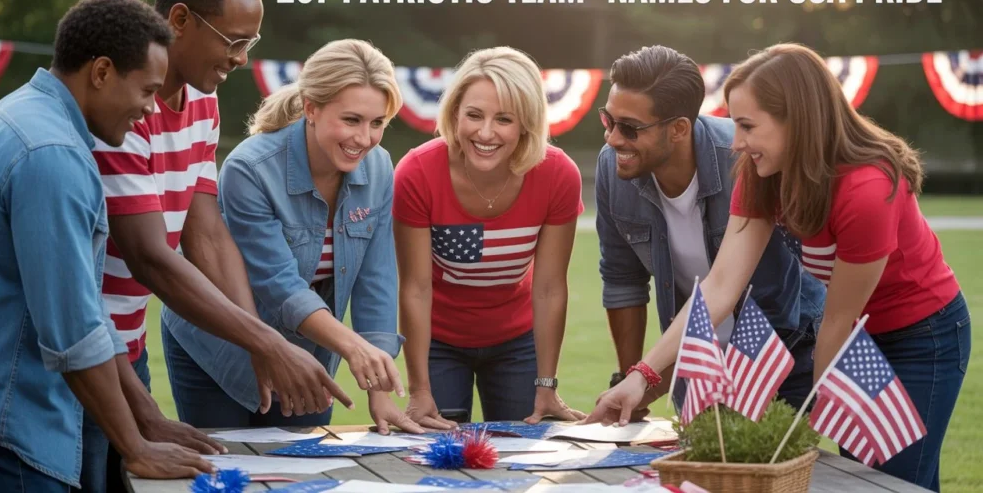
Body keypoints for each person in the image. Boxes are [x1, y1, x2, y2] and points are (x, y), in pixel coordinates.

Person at [589, 43, 969, 492]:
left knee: (893, 482)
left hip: (918, 335)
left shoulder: (867, 187)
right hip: (854, 332)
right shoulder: (759, 169)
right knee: (865, 480)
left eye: (748, 126)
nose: (738, 141)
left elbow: (836, 323)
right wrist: (642, 377)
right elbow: (721, 283)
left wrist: (821, 406)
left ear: (798, 120)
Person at [89, 0, 351, 491]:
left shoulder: (203, 105)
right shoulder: (121, 108)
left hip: (127, 347)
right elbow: (151, 260)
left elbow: (205, 231)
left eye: (250, 43)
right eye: (232, 41)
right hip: (84, 350)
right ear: (179, 20)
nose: (240, 59)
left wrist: (253, 340)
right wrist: (268, 343)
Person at [0, 0, 214, 492]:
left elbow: (86, 306)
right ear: (100, 72)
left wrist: (149, 418)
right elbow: (74, 330)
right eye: (145, 91)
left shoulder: (24, 117)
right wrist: (137, 448)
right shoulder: (50, 154)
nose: (147, 112)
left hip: (1, 425)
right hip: (10, 437)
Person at [162, 39, 422, 434]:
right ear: (312, 108)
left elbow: (377, 278)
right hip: (218, 347)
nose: (364, 139)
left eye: (378, 123)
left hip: (308, 353)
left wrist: (379, 388)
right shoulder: (250, 169)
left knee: (302, 472)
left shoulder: (380, 168)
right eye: (351, 120)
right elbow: (278, 284)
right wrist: (352, 347)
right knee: (229, 471)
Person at [590, 46, 824, 418]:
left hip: (779, 348)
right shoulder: (613, 169)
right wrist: (630, 378)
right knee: (702, 473)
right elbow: (622, 279)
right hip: (696, 356)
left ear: (679, 128)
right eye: (608, 120)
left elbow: (728, 284)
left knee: (777, 472)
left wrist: (644, 374)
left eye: (630, 128)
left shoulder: (746, 155)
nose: (613, 139)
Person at [395, 46, 585, 427]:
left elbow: (549, 288)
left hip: (517, 341)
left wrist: (546, 385)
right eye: (474, 115)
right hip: (439, 342)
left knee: (525, 456)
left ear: (527, 123)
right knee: (437, 452)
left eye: (504, 119)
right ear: (454, 114)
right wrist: (419, 390)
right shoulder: (417, 172)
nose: (485, 133)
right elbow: (415, 288)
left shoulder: (558, 174)